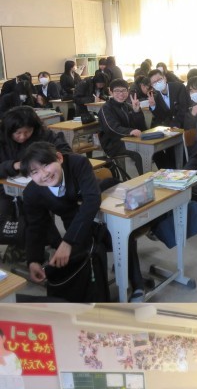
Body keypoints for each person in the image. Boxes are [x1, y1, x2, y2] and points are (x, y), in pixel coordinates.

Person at [20, 141, 146, 302]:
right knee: (90, 253)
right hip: (76, 226)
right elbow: (35, 227)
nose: (43, 174)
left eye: (46, 165)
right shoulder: (32, 193)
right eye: (35, 172)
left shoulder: (77, 163)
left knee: (121, 233)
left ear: (59, 158)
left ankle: (137, 284)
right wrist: (33, 260)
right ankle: (98, 296)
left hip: (102, 212)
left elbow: (92, 200)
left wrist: (68, 242)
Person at [0, 106, 71, 252]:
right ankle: (25, 244)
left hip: (42, 184)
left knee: (45, 204)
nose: (23, 137)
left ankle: (56, 245)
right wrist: (13, 165)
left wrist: (44, 162)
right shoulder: (2, 140)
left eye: (27, 131)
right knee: (11, 212)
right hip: (7, 189)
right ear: (8, 130)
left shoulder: (44, 135)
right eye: (18, 133)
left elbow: (65, 152)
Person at [98, 78, 146, 176]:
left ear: (128, 91)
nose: (121, 93)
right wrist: (129, 132)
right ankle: (145, 179)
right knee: (140, 152)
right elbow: (111, 128)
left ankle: (162, 177)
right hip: (113, 144)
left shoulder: (127, 106)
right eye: (117, 91)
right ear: (110, 92)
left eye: (124, 90)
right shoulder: (106, 108)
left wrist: (137, 112)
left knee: (153, 149)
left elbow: (142, 128)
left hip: (130, 140)